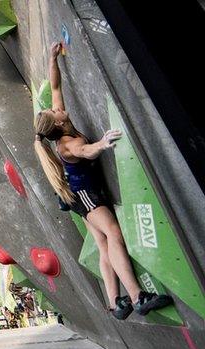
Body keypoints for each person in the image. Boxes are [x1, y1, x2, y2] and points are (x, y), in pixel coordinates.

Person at [33, 42, 173, 320]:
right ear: (58, 124)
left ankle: (116, 303)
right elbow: (86, 150)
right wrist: (103, 142)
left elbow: (56, 87)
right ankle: (137, 296)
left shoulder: (61, 124)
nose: (57, 108)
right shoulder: (66, 144)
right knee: (113, 236)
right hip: (86, 195)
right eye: (55, 112)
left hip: (79, 194)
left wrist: (52, 58)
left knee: (102, 241)